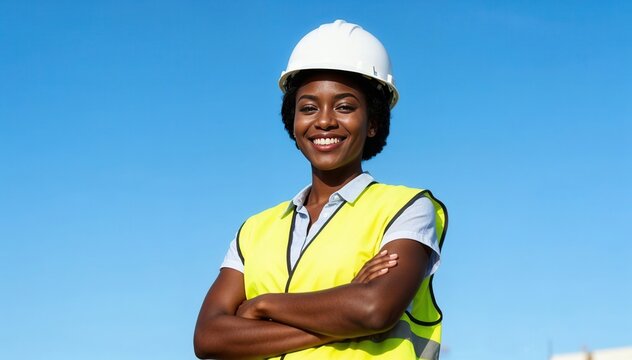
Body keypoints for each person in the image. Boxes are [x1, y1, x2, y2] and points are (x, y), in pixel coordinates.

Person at [194, 20, 448, 360]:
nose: (324, 120)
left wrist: (262, 305)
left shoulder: (407, 208)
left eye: (344, 106)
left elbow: (374, 309)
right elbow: (209, 337)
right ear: (293, 123)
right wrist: (344, 304)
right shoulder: (254, 230)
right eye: (309, 108)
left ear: (373, 122)